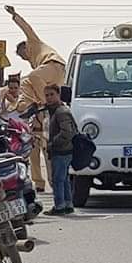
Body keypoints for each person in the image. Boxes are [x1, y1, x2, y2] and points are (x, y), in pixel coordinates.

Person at [7, 6, 66, 192]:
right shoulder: (29, 75)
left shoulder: (34, 43)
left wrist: (15, 16)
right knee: (28, 80)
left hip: (53, 65)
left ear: (26, 47)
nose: (25, 57)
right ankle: (39, 183)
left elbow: (27, 28)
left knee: (31, 77)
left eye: (24, 54)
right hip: (39, 122)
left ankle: (43, 104)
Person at [44, 84, 77, 215]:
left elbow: (67, 133)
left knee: (58, 179)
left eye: (52, 94)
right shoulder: (56, 110)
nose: (49, 98)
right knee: (64, 179)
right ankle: (68, 204)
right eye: (47, 95)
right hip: (63, 150)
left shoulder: (61, 111)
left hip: (62, 150)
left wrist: (53, 143)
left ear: (58, 94)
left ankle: (59, 206)